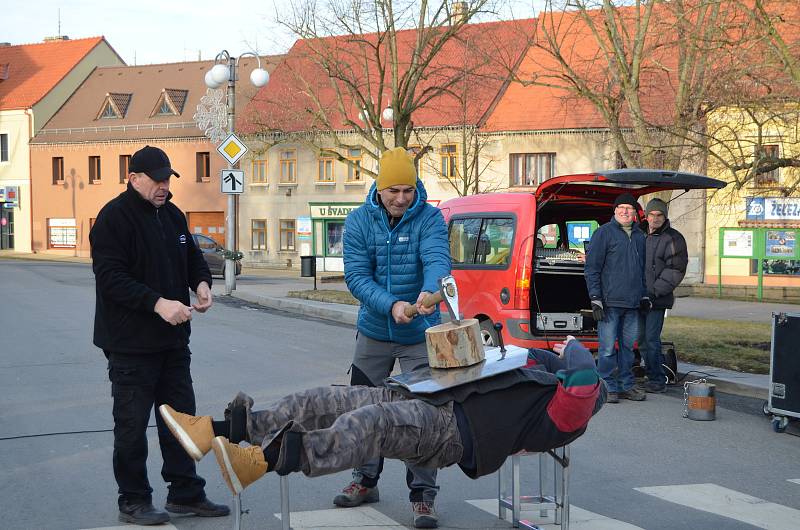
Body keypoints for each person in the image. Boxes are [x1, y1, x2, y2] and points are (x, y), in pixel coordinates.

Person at [157, 337, 606, 501]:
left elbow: (584, 377)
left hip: (452, 433)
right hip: (426, 392)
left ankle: (262, 461)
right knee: (326, 400)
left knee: (370, 424)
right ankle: (213, 431)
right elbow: (514, 351)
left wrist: (569, 348)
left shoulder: (569, 413)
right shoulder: (534, 372)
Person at [90, 145, 229, 525]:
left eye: (168, 179)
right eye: (157, 179)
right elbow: (111, 279)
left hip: (173, 343)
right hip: (129, 346)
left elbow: (191, 258)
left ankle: (185, 493)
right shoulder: (112, 219)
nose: (164, 186)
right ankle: (133, 500)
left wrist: (201, 284)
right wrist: (158, 303)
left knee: (181, 422)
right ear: (134, 178)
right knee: (132, 427)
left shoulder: (172, 216)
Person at [340, 147, 451, 527]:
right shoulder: (358, 222)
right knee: (364, 408)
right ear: (379, 188)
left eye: (407, 190)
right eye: (394, 191)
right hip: (374, 329)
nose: (401, 198)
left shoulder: (430, 218)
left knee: (423, 414)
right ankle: (365, 480)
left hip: (420, 332)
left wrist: (428, 291)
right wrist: (390, 306)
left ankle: (423, 496)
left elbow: (437, 260)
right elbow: (357, 277)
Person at [584, 193, 649, 404]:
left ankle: (626, 385)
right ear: (615, 211)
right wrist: (595, 298)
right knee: (607, 348)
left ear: (634, 213)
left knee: (629, 348)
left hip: (632, 304)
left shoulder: (640, 237)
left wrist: (645, 295)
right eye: (620, 207)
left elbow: (644, 270)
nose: (624, 211)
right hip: (609, 303)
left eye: (629, 208)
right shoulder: (604, 233)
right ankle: (607, 385)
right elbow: (592, 268)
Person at [638, 198, 688, 393]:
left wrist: (653, 293)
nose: (655, 218)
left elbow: (675, 269)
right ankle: (652, 374)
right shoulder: (638, 234)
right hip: (637, 297)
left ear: (665, 217)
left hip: (656, 299)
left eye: (659, 215)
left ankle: (658, 379)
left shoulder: (674, 238)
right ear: (646, 216)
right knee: (641, 339)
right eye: (652, 214)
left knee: (651, 339)